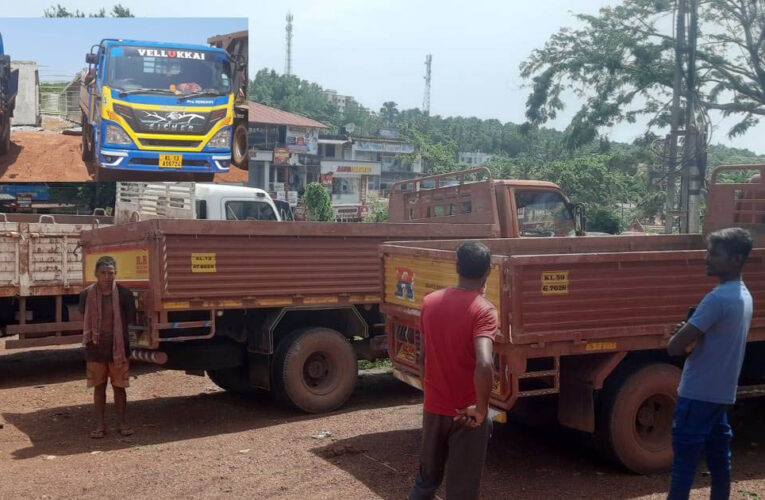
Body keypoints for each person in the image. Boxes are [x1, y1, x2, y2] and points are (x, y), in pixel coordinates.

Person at [667, 227, 753, 500]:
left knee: (683, 467)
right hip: (720, 395)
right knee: (719, 462)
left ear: (735, 259)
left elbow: (675, 347)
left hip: (697, 393)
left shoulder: (716, 299)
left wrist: (683, 332)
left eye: (714, 254)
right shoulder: (744, 295)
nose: (707, 258)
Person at [409, 240, 498, 500]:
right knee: (462, 490)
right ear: (488, 271)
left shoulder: (430, 302)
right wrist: (481, 410)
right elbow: (484, 363)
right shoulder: (483, 311)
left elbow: (423, 356)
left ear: (457, 266)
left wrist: (432, 395)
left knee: (426, 481)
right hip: (466, 414)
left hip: (434, 407)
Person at [79, 256, 136, 439]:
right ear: (96, 274)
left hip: (118, 348)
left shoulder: (125, 294)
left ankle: (122, 423)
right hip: (95, 348)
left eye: (111, 273)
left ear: (116, 274)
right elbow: (84, 316)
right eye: (103, 273)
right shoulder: (86, 294)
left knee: (119, 387)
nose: (107, 276)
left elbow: (130, 319)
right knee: (99, 387)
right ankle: (100, 425)